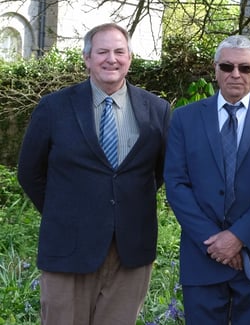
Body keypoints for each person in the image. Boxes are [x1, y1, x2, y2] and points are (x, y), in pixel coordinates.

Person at [16, 23, 171, 324]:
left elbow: (161, 171)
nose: (111, 59)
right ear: (87, 59)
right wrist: (64, 212)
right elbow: (29, 172)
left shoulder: (157, 110)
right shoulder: (54, 108)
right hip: (68, 249)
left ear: (130, 57)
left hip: (130, 252)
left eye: (119, 51)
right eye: (102, 51)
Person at [164, 35, 250, 324]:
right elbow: (176, 184)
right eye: (227, 66)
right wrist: (215, 243)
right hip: (203, 254)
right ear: (216, 69)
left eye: (245, 68)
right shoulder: (184, 119)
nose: (236, 74)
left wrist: (238, 238)